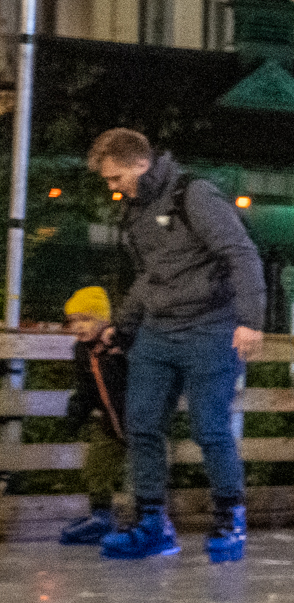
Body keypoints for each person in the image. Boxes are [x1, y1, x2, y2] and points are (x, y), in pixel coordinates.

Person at [89, 128, 264, 564]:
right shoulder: (137, 209)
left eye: (115, 178)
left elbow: (241, 254)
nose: (112, 187)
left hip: (209, 329)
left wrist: (250, 320)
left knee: (209, 428)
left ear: (140, 163)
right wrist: (124, 325)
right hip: (157, 332)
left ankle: (229, 516)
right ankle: (152, 523)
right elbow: (149, 273)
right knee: (142, 425)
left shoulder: (195, 195)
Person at [54, 287, 130, 546]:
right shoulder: (81, 350)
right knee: (96, 467)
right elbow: (85, 388)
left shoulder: (120, 343)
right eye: (73, 320)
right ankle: (101, 516)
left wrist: (119, 341)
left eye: (85, 319)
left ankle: (148, 518)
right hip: (108, 421)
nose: (78, 326)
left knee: (143, 470)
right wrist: (74, 417)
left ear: (104, 320)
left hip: (138, 420)